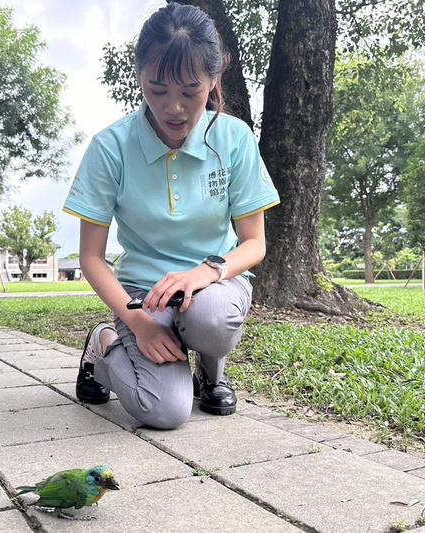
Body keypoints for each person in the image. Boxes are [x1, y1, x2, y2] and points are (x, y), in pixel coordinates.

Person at [62, 2, 279, 430]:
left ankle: (211, 372)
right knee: (163, 411)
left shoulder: (233, 139)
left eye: (190, 91)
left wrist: (207, 272)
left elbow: (255, 243)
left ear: (215, 79)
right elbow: (91, 258)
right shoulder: (110, 148)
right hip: (143, 296)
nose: (174, 108)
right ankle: (102, 345)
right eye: (158, 90)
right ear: (140, 75)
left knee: (212, 318)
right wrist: (138, 322)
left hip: (214, 285)